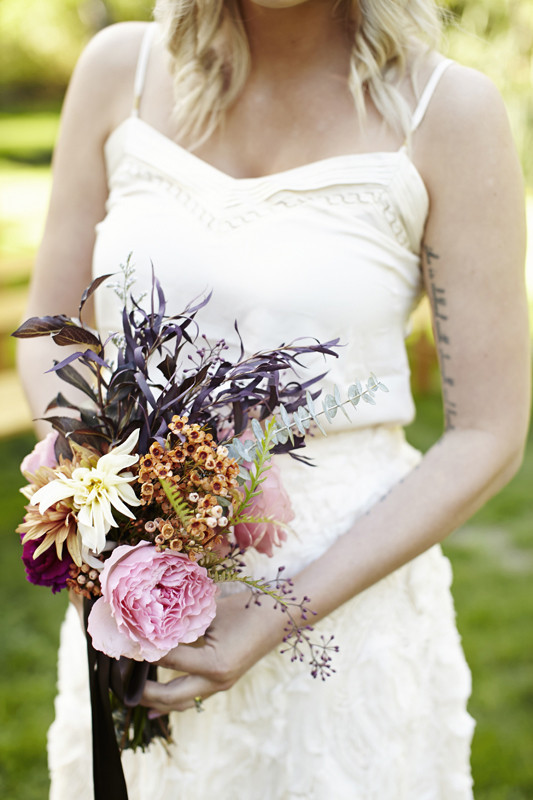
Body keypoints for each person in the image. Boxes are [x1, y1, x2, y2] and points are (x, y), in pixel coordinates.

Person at [17, 1, 530, 798]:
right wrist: (108, 499)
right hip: (143, 602)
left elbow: (488, 433)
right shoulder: (121, 71)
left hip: (344, 609)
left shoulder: (444, 113)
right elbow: (50, 328)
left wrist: (269, 616)